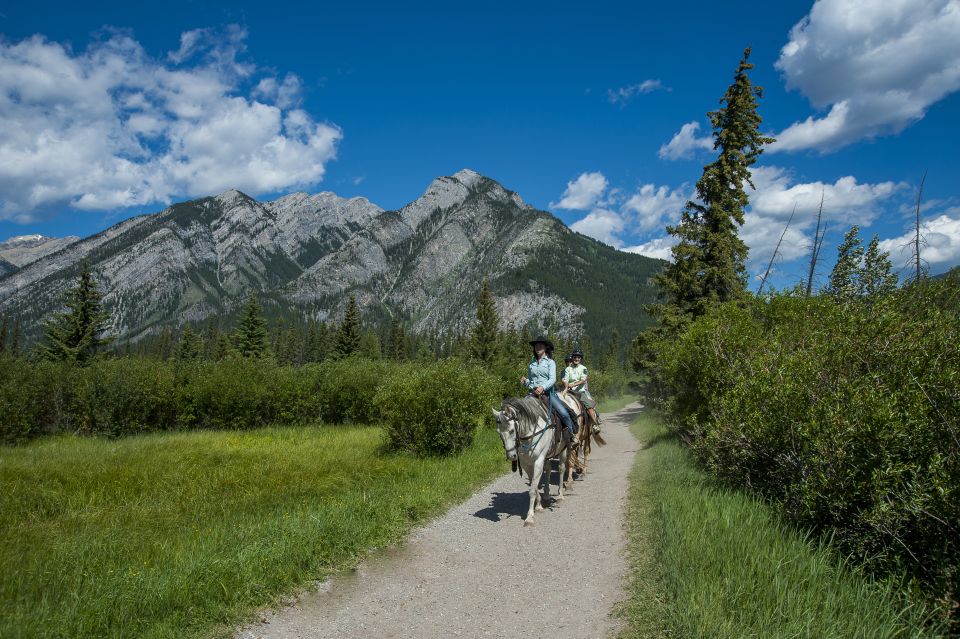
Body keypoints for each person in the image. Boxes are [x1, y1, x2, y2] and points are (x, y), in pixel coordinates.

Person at [520, 336, 578, 445]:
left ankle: (571, 435)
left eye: (540, 345)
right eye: (536, 345)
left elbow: (552, 379)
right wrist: (526, 382)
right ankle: (518, 440)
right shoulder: (531, 364)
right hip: (532, 394)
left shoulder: (550, 362)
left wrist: (542, 387)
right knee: (519, 412)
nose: (538, 347)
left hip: (548, 394)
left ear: (546, 347)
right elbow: (532, 382)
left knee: (564, 413)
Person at [563, 349, 601, 429]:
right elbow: (565, 379)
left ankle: (594, 423)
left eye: (578, 357)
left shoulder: (583, 368)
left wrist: (572, 385)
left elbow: (583, 380)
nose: (577, 359)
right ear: (572, 358)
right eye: (575, 357)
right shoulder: (568, 369)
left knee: (589, 406)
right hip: (570, 392)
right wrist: (566, 386)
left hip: (580, 392)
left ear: (581, 359)